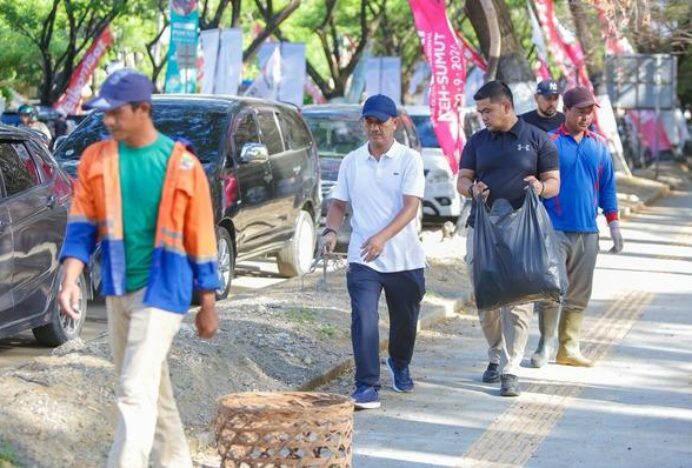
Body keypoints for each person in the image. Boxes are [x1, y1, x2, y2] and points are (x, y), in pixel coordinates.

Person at [57, 68, 220, 468]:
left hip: (164, 292)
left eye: (115, 113)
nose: (106, 120)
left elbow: (201, 236)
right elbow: (81, 226)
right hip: (118, 288)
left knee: (132, 389)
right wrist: (69, 280)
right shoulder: (97, 159)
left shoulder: (183, 165)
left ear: (142, 109)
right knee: (151, 390)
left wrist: (208, 303)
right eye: (104, 113)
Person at [323, 94, 426, 410]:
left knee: (405, 322)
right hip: (363, 257)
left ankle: (399, 363)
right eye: (368, 122)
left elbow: (411, 208)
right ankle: (366, 384)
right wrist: (330, 231)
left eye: (380, 121)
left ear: (394, 122)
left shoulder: (410, 159)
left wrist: (383, 237)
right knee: (365, 318)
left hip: (405, 257)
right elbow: (338, 203)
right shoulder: (352, 161)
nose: (374, 128)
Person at [457, 80, 560, 397]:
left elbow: (553, 182)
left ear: (506, 106)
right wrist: (471, 189)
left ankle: (511, 367)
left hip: (522, 230)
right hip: (483, 227)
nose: (482, 116)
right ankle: (495, 353)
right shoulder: (477, 142)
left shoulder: (536, 139)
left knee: (517, 299)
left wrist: (540, 188)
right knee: (485, 297)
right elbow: (463, 179)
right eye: (479, 111)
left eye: (487, 110)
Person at [530, 87, 623, 369]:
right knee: (552, 287)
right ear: (566, 111)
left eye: (589, 111)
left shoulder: (599, 146)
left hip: (587, 231)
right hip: (553, 229)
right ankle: (545, 345)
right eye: (580, 111)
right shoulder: (550, 143)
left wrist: (614, 225)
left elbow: (608, 188)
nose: (585, 116)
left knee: (580, 292)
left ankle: (568, 347)